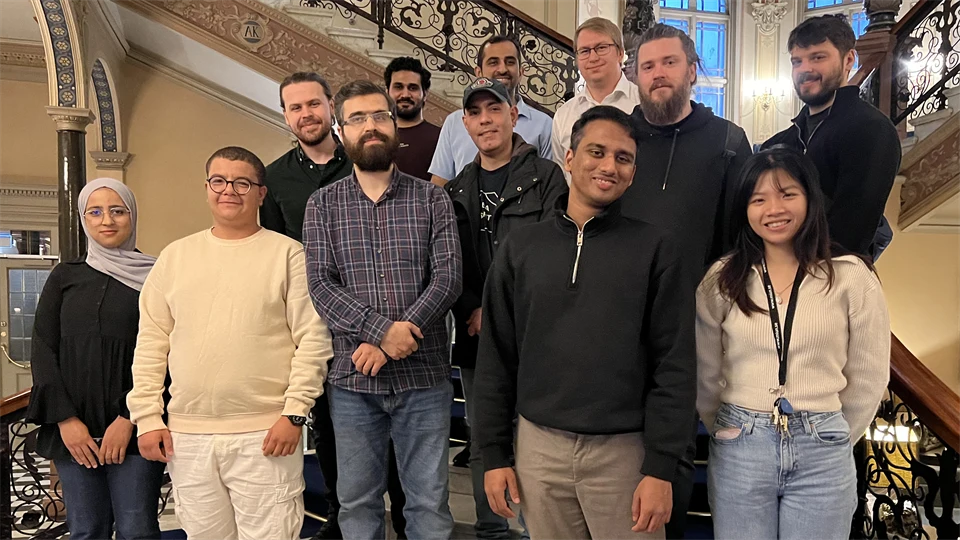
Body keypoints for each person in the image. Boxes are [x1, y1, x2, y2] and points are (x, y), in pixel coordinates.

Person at [475, 106, 696, 540]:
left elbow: (675, 365)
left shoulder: (656, 249)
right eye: (597, 151)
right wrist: (495, 455)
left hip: (625, 454)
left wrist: (660, 467)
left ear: (633, 173)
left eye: (624, 158)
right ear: (570, 157)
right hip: (539, 449)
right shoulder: (522, 247)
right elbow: (496, 357)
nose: (609, 166)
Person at [127, 146, 333, 540]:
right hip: (188, 437)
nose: (229, 191)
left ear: (261, 193)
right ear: (206, 189)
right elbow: (152, 342)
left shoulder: (288, 255)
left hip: (266, 432)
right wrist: (148, 417)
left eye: (242, 182)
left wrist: (294, 413)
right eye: (219, 181)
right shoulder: (176, 257)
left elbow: (312, 339)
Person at [696, 146, 890, 539]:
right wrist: (726, 427)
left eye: (787, 194)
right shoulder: (723, 279)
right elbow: (705, 370)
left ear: (810, 199)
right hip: (740, 445)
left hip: (823, 449)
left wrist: (830, 431)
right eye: (759, 199)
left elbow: (869, 376)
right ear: (745, 209)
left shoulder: (850, 277)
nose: (774, 209)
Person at [303, 80, 462, 540]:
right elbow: (321, 285)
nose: (370, 126)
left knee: (429, 503)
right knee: (356, 505)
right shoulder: (322, 205)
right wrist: (378, 332)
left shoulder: (433, 199)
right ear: (340, 130)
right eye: (357, 118)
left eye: (379, 116)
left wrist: (399, 335)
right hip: (354, 382)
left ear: (395, 126)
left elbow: (448, 277)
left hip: (424, 379)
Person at [623, 23, 753, 538]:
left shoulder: (727, 140)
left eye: (669, 63)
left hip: (695, 321)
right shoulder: (616, 133)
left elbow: (744, 235)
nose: (658, 74)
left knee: (674, 446)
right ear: (634, 75)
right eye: (648, 65)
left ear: (692, 70)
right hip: (621, 316)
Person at [446, 77, 567, 540]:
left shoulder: (547, 178)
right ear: (465, 123)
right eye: (475, 113)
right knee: (485, 436)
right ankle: (491, 528)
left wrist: (499, 309)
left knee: (538, 437)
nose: (485, 120)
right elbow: (449, 262)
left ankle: (540, 529)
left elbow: (554, 254)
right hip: (478, 338)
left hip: (536, 333)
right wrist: (475, 308)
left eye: (493, 110)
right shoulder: (456, 188)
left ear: (515, 115)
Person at [26, 178, 165, 540]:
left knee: (138, 530)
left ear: (132, 216)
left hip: (134, 427)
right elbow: (43, 348)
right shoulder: (64, 276)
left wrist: (128, 418)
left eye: (118, 211)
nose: (108, 220)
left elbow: (165, 353)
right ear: (84, 219)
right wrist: (66, 420)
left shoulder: (158, 277)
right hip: (75, 430)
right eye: (96, 211)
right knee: (87, 530)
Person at [761, 15, 900, 260]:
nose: (805, 69)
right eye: (797, 61)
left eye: (818, 57)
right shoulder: (778, 145)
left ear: (848, 60)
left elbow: (851, 234)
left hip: (834, 282)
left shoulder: (870, 130)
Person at [429, 35, 553, 186]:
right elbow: (440, 184)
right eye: (493, 62)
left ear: (521, 72)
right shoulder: (453, 123)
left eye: (510, 62)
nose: (502, 69)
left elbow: (549, 182)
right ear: (479, 72)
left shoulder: (544, 124)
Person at [262, 72, 353, 242]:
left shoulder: (364, 165)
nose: (306, 114)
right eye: (296, 108)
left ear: (331, 106)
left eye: (314, 104)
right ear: (286, 116)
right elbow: (275, 248)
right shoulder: (272, 178)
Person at [552, 17, 640, 178]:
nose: (593, 58)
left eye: (601, 48)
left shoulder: (643, 103)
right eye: (584, 51)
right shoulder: (563, 115)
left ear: (620, 53)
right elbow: (561, 175)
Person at [385, 56, 442, 181]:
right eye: (398, 87)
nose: (405, 94)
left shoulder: (442, 139)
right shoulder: (376, 137)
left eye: (413, 88)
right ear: (387, 92)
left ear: (425, 94)